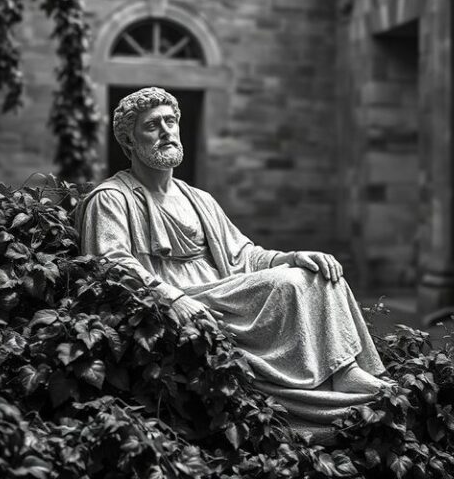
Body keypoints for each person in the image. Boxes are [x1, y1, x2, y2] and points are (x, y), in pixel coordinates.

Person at [78, 86, 390, 428]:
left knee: (318, 271)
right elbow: (111, 265)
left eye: (171, 121)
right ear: (129, 141)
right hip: (180, 302)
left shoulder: (199, 199)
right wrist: (175, 299)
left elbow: (243, 255)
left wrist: (291, 257)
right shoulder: (110, 199)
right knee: (291, 284)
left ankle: (345, 371)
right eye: (152, 125)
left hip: (226, 291)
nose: (166, 131)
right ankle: (331, 377)